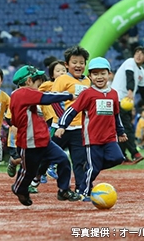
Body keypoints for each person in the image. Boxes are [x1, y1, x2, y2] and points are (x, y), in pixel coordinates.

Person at [55, 57, 126, 201]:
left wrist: (121, 131)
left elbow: (116, 115)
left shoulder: (113, 94)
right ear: (90, 77)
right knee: (93, 168)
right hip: (92, 139)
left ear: (109, 74)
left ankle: (90, 167)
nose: (99, 77)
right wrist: (62, 126)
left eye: (103, 73)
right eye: (95, 74)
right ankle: (84, 192)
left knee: (118, 158)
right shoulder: (87, 94)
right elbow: (72, 110)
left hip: (110, 138)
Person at [10, 65, 81, 206]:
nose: (40, 85)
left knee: (63, 160)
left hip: (43, 140)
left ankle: (63, 189)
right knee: (28, 171)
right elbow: (46, 97)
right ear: (29, 81)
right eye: (38, 82)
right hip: (29, 143)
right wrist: (69, 95)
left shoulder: (28, 97)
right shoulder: (22, 93)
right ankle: (19, 189)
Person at [43, 45, 91, 192]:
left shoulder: (88, 81)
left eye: (81, 62)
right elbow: (54, 100)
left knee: (79, 160)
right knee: (46, 156)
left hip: (79, 128)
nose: (78, 65)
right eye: (74, 62)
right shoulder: (62, 79)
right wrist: (63, 122)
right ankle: (35, 177)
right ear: (67, 64)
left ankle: (80, 188)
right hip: (60, 128)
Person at [111, 46, 144, 164]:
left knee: (121, 129)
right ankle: (135, 153)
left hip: (126, 102)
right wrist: (130, 90)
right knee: (126, 128)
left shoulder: (142, 72)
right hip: (117, 100)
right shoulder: (129, 62)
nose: (138, 55)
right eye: (137, 52)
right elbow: (129, 76)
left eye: (142, 54)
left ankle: (121, 157)